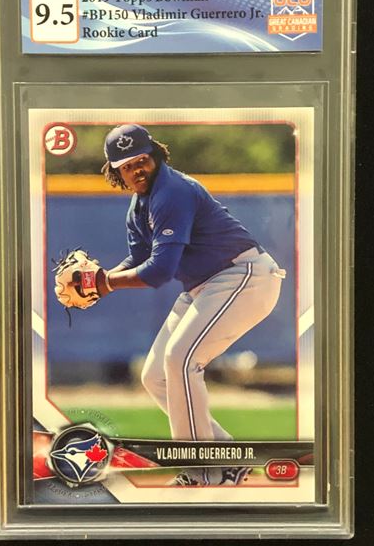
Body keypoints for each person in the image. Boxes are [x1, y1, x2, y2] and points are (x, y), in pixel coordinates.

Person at [95, 124, 285, 486]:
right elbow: (139, 259)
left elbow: (159, 271)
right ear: (116, 172)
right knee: (155, 375)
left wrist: (103, 283)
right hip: (207, 286)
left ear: (155, 155)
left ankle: (201, 472)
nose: (136, 169)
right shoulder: (139, 206)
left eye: (141, 160)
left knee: (181, 360)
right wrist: (99, 280)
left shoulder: (173, 192)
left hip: (244, 276)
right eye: (126, 166)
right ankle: (227, 459)